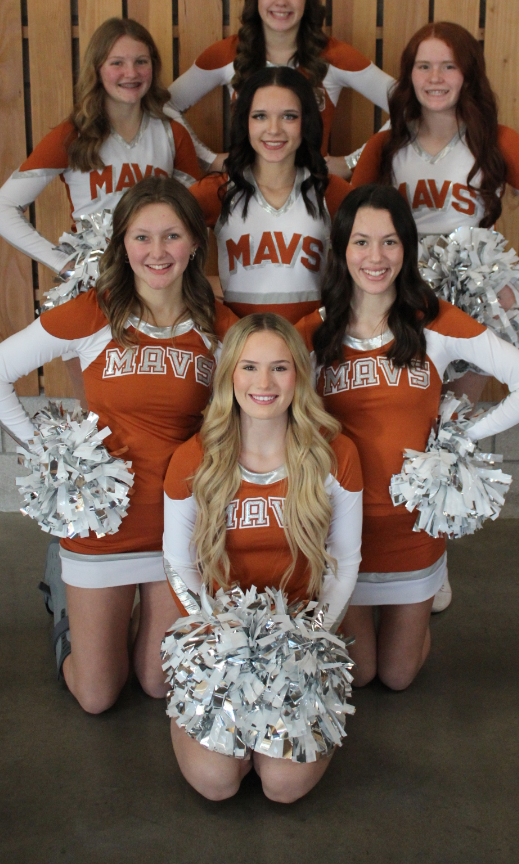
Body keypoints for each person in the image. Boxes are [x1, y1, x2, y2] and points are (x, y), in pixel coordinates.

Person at [0, 177, 237, 714]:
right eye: (142, 237)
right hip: (102, 526)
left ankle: (120, 629)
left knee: (159, 684)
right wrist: (55, 457)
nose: (157, 251)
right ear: (123, 245)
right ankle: (66, 609)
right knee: (97, 696)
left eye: (172, 236)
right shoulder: (96, 311)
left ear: (194, 244)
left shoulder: (216, 323)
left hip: (178, 525)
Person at [296, 185, 519, 692]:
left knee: (397, 677)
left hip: (413, 530)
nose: (376, 257)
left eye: (390, 242)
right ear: (342, 249)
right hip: (341, 533)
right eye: (361, 242)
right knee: (360, 674)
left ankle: (420, 610)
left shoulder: (433, 321)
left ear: (407, 248)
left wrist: (458, 439)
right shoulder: (316, 331)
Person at [162, 313, 363, 802]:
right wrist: (217, 635)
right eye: (249, 367)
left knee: (283, 786)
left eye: (280, 368)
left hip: (301, 635)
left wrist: (312, 638)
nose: (264, 383)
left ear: (299, 375)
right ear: (229, 375)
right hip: (221, 637)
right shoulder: (194, 457)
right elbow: (177, 562)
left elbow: (346, 560)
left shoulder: (336, 454)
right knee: (216, 783)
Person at [351, 21, 519, 406]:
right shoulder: (386, 144)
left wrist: (515, 281)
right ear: (409, 75)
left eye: (449, 66)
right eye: (424, 66)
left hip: (471, 300)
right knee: (406, 413)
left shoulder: (498, 141)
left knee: (454, 418)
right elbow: (348, 225)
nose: (435, 78)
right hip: (400, 292)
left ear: (468, 74)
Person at [0, 17, 202, 280]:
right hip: (98, 282)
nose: (131, 73)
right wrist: (64, 264)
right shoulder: (72, 136)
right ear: (97, 69)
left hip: (158, 280)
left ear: (153, 67)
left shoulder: (172, 134)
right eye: (117, 63)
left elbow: (195, 214)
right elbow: (1, 209)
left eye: (141, 61)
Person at [168, 0, 393, 176]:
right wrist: (208, 160)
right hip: (243, 189)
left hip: (313, 190)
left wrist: (352, 162)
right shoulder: (227, 53)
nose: (281, 1)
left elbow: (406, 104)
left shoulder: (335, 55)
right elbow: (165, 105)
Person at [189, 66, 350, 324]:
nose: (274, 129)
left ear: (305, 122)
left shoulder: (328, 191)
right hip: (237, 343)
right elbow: (160, 238)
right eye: (260, 116)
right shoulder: (218, 191)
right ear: (245, 122)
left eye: (289, 116)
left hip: (310, 343)